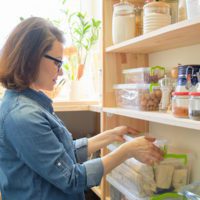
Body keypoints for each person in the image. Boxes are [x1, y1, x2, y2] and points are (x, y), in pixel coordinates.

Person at [0, 17, 163, 200]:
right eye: (57, 62)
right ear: (31, 58)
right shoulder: (22, 116)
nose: (61, 72)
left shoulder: (31, 104)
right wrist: (127, 151)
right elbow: (71, 178)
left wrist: (110, 135)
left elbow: (63, 153)